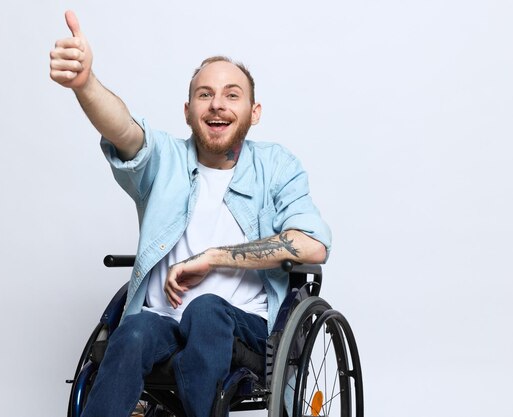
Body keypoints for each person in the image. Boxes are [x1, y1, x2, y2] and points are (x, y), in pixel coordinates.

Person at [50, 10, 331, 417]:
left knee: (207, 308)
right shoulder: (165, 160)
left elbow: (313, 244)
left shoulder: (277, 167)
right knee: (132, 331)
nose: (217, 104)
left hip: (245, 329)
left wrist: (212, 257)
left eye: (232, 95)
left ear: (254, 111)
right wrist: (86, 84)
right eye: (205, 95)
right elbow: (125, 132)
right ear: (187, 110)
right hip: (162, 325)